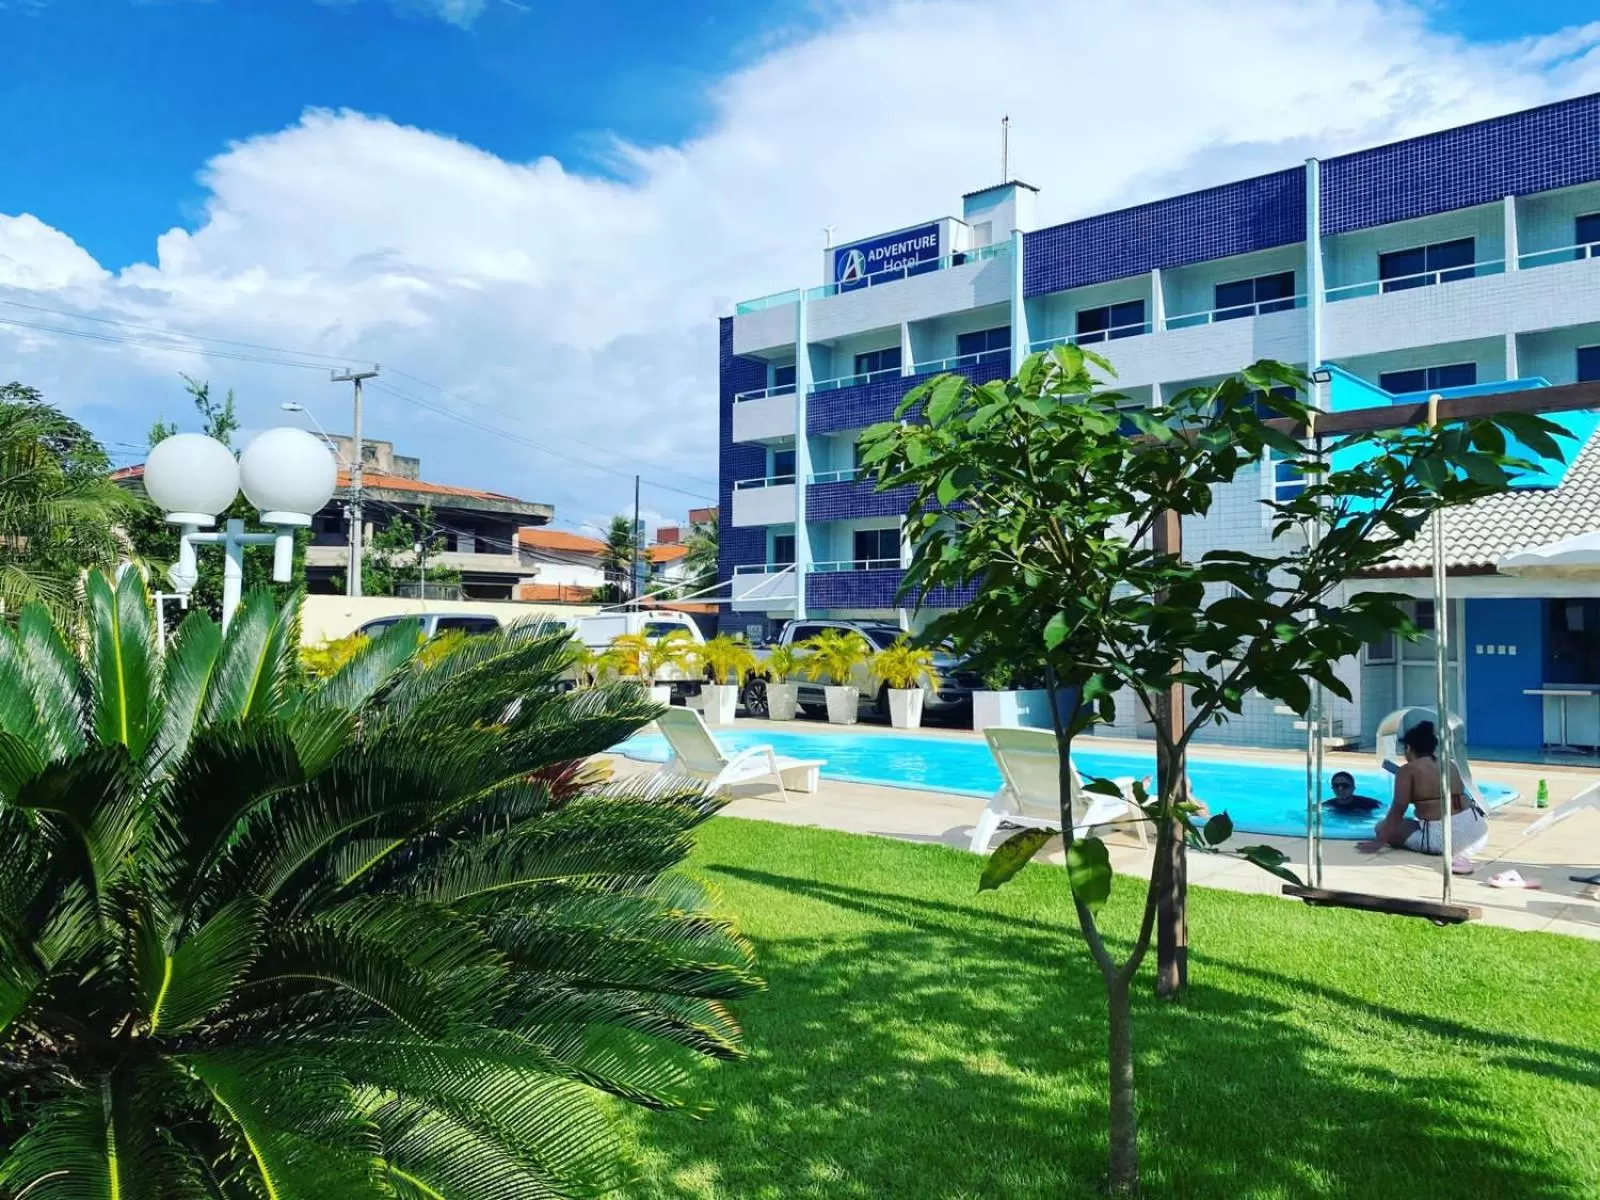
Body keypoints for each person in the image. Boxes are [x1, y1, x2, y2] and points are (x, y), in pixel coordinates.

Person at [1358, 721, 1488, 858]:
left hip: (1447, 841)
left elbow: (1397, 810)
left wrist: (1379, 841)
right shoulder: (1450, 764)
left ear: (1408, 748)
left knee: (1380, 827)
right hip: (1477, 832)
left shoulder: (1408, 771)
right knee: (1412, 822)